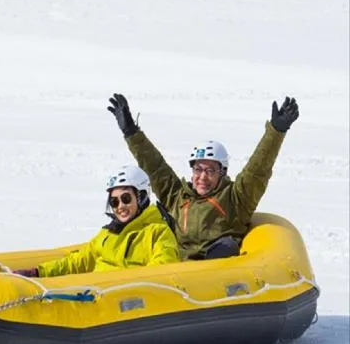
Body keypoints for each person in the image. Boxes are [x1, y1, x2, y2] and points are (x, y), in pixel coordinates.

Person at [106, 92, 299, 260]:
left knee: (226, 247)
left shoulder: (236, 199)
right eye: (198, 170)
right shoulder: (178, 197)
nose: (202, 177)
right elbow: (154, 166)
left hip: (216, 275)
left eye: (210, 171)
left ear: (222, 173)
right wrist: (131, 131)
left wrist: (276, 130)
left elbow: (258, 169)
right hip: (178, 274)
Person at [13, 165, 180, 277]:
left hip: (124, 301)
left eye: (126, 198)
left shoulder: (157, 232)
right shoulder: (108, 233)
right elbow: (80, 261)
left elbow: (161, 272)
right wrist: (38, 273)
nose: (120, 206)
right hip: (97, 298)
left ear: (142, 197)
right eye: (114, 202)